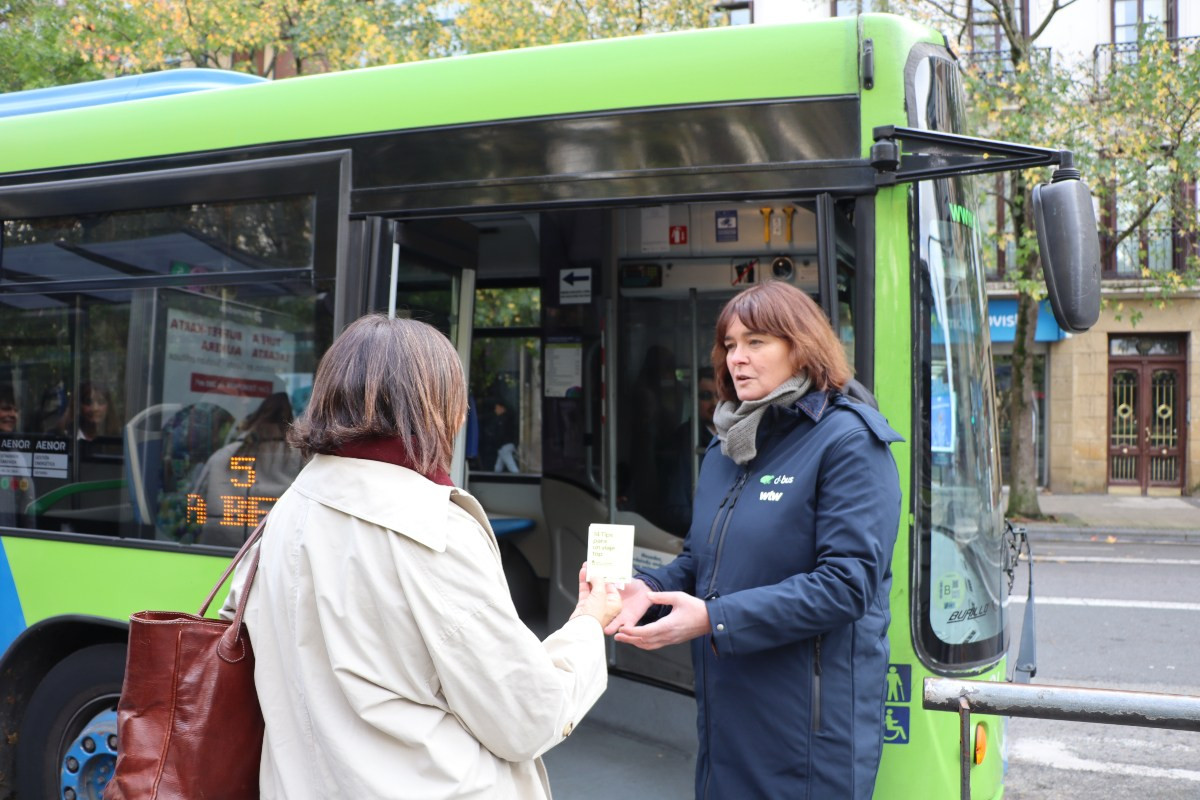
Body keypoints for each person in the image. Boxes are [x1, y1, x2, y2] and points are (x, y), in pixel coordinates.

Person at [220, 314, 621, 799]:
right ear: (436, 409)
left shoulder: (284, 514)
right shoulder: (431, 531)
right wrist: (588, 623)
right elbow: (527, 717)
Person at [604, 281, 903, 799]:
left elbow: (847, 585)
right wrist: (645, 589)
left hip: (808, 731)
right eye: (729, 345)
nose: (736, 358)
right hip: (728, 713)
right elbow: (702, 562)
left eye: (756, 342)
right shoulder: (726, 448)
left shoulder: (850, 442)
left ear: (801, 346)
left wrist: (713, 618)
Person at [194, 392, 305, 547]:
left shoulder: (223, 455)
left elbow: (195, 503)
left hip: (218, 546)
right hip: (274, 550)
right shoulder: (303, 459)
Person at [658, 368, 718, 536]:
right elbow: (675, 510)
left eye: (720, 395)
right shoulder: (684, 441)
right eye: (705, 396)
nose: (714, 402)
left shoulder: (737, 437)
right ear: (693, 399)